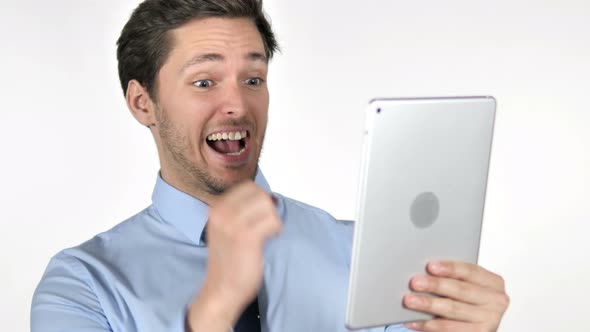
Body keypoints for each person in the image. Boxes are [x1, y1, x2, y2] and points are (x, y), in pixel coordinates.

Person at [31, 0, 509, 331]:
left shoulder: (364, 257)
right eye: (204, 82)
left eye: (253, 78)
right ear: (142, 104)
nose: (237, 104)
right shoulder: (83, 285)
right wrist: (215, 311)